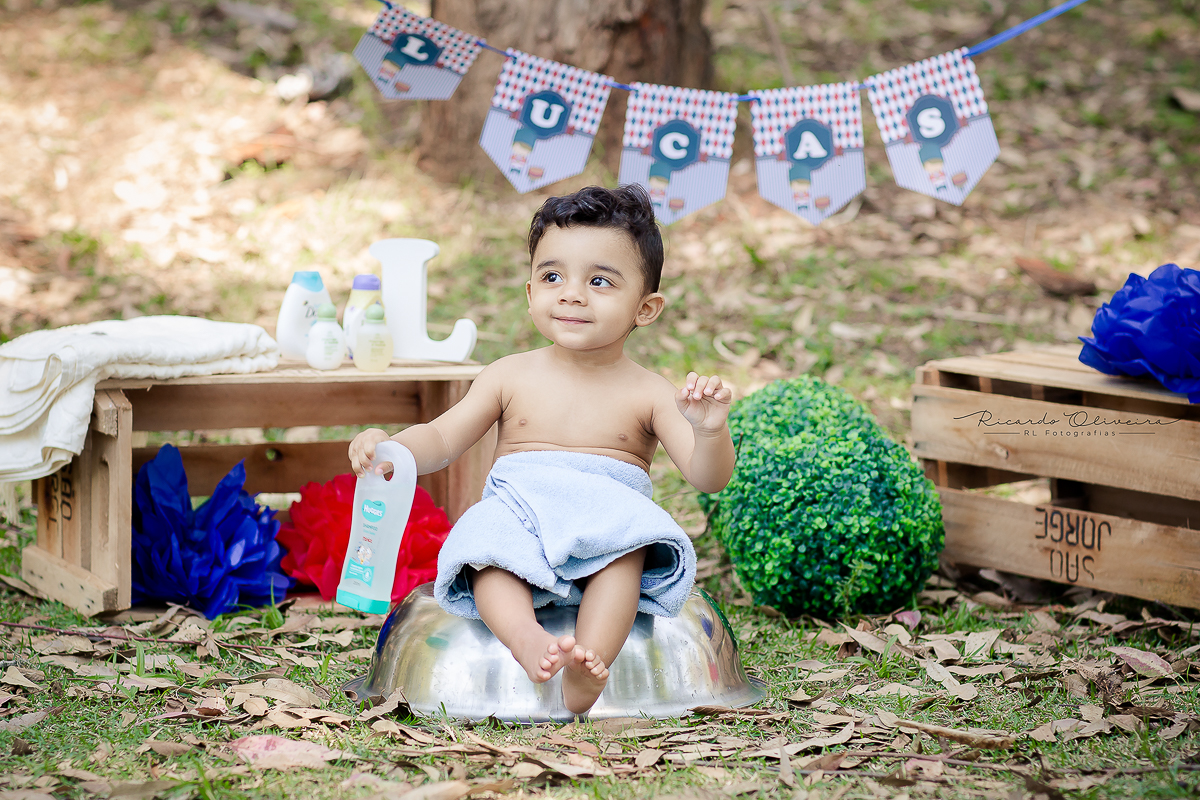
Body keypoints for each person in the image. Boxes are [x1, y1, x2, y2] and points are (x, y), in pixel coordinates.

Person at [348, 184, 735, 715]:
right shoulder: (509, 375)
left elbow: (707, 476)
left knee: (626, 558)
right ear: (530, 292)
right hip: (520, 511)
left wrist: (710, 430)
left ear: (645, 308)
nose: (572, 294)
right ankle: (527, 640)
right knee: (485, 554)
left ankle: (589, 664)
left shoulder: (650, 391)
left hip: (609, 516)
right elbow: (441, 437)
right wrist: (391, 446)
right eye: (553, 277)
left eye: (600, 281)